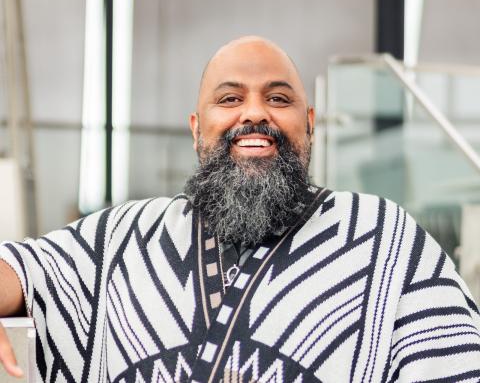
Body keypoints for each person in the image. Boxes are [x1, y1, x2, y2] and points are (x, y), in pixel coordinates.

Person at [0, 36, 479, 383]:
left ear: (309, 125)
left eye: (278, 98)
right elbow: (19, 270)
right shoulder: (122, 236)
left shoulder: (383, 236)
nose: (254, 113)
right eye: (230, 98)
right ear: (196, 127)